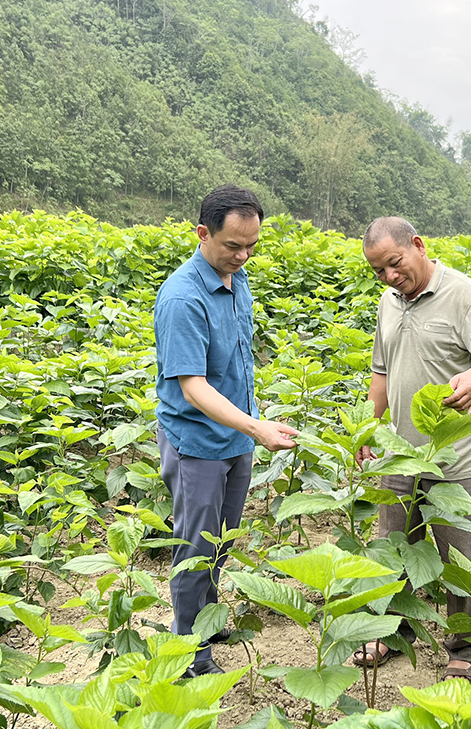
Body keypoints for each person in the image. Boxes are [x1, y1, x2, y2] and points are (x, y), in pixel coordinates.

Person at [354, 216, 471, 681]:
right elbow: (381, 372)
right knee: (393, 548)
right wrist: (369, 427)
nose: (389, 276)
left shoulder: (462, 294)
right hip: (402, 454)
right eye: (379, 270)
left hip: (457, 457)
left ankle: (462, 645)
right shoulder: (388, 302)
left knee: (462, 557)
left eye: (394, 263)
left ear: (418, 246)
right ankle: (391, 631)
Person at [154, 185, 298, 677]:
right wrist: (257, 427)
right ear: (203, 233)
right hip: (196, 442)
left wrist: (251, 424)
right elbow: (193, 386)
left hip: (236, 437)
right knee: (195, 548)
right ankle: (190, 653)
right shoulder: (182, 297)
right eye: (233, 245)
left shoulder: (236, 281)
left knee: (221, 539)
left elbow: (236, 363)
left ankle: (208, 621)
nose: (242, 256)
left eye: (251, 246)